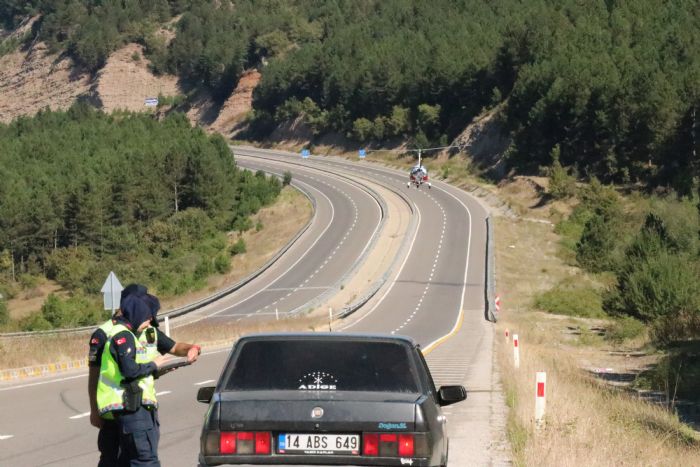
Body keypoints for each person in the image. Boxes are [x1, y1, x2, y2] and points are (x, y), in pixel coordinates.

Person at [91, 284, 201, 466]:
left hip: (135, 403)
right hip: (122, 409)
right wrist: (94, 410)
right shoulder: (108, 333)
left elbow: (173, 347)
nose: (149, 318)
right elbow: (98, 373)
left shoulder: (146, 330)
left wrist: (192, 348)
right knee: (134, 459)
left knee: (128, 460)